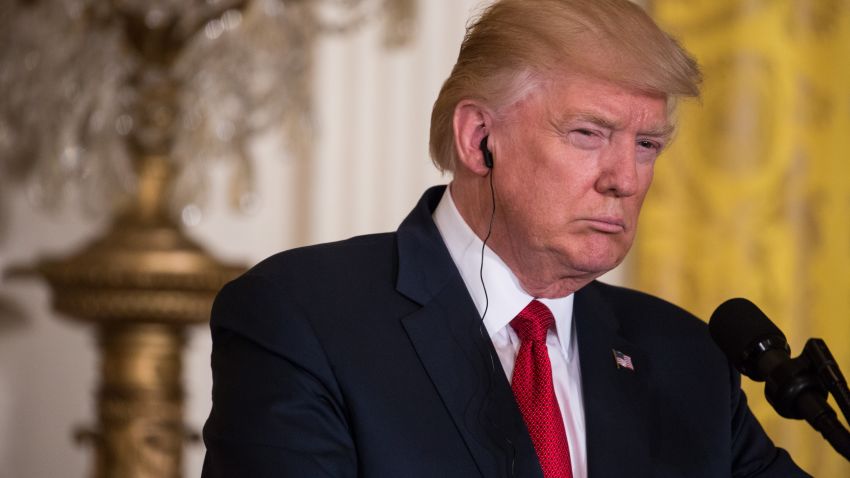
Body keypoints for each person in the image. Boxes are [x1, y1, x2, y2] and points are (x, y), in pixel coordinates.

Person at [201, 0, 810, 476]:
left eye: (646, 145)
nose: (624, 179)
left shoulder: (688, 358)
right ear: (479, 139)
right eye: (588, 133)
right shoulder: (305, 317)